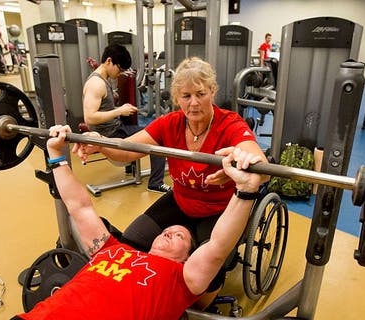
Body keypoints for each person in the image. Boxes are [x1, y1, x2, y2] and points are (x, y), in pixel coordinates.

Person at [12, 125, 265, 320]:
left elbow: (219, 246)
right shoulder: (112, 249)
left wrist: (244, 189)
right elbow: (80, 207)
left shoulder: (183, 279)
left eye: (179, 236)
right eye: (168, 229)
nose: (169, 232)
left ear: (188, 258)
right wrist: (56, 155)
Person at [75, 57, 268, 307]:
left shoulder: (229, 124)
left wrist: (243, 162)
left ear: (213, 91)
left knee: (210, 271)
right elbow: (126, 151)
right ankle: (148, 295)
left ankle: (197, 309)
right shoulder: (171, 123)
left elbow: (262, 168)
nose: (194, 103)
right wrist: (100, 142)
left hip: (218, 209)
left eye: (201, 93)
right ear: (177, 97)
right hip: (181, 200)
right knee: (130, 243)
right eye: (186, 96)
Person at [82, 44, 170, 193]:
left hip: (115, 127)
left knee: (149, 130)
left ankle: (131, 168)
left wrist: (119, 109)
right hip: (110, 134)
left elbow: (102, 110)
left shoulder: (104, 79)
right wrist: (119, 111)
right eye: (119, 69)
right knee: (157, 138)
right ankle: (155, 183)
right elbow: (89, 118)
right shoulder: (96, 84)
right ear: (109, 61)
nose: (120, 73)